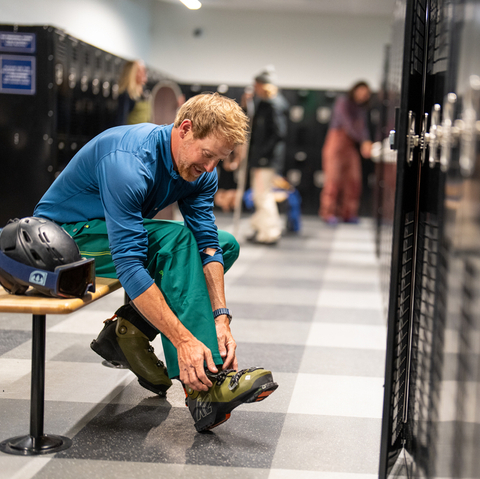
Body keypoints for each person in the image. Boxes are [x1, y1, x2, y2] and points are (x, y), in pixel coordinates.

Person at [33, 92, 278, 433]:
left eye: (218, 160)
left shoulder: (201, 172)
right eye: (207, 155)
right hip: (64, 241)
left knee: (226, 244)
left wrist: (221, 317)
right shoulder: (129, 161)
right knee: (177, 244)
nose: (209, 169)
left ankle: (129, 328)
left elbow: (208, 244)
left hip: (109, 232)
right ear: (185, 129)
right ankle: (204, 387)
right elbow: (129, 264)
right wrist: (182, 341)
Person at [244, 66, 289, 245]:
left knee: (263, 195)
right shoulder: (263, 103)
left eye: (256, 86)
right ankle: (260, 228)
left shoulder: (273, 105)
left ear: (263, 85)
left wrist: (262, 156)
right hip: (261, 158)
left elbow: (279, 134)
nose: (254, 89)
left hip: (266, 159)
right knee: (259, 195)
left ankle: (270, 232)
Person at [320, 81, 372, 225]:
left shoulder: (361, 109)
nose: (363, 95)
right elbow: (347, 124)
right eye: (361, 91)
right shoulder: (342, 102)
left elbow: (364, 128)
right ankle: (328, 213)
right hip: (336, 144)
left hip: (351, 147)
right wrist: (363, 141)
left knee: (354, 181)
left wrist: (366, 141)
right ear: (355, 90)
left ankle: (348, 213)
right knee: (333, 181)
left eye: (366, 93)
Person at [116, 59, 151, 125]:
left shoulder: (143, 92)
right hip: (133, 134)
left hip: (144, 133)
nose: (144, 73)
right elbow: (121, 120)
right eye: (141, 71)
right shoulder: (127, 94)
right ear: (133, 73)